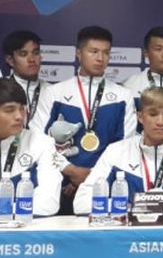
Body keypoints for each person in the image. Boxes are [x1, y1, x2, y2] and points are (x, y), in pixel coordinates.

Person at [30, 26, 136, 214]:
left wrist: (92, 176)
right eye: (93, 51)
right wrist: (71, 170)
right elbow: (38, 140)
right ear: (79, 53)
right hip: (61, 183)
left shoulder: (123, 96)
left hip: (106, 184)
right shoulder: (55, 93)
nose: (100, 58)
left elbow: (124, 145)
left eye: (106, 53)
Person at [74, 87, 163, 216]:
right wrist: (127, 207)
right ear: (140, 117)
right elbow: (81, 202)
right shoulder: (116, 151)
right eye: (152, 114)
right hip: (128, 236)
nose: (160, 122)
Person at [0, 78, 63, 221]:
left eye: (22, 108)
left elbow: (49, 201)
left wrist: (2, 210)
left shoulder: (42, 143)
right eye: (9, 110)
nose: (19, 116)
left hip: (27, 238)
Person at [2, 30, 51, 128]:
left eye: (36, 53)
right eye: (23, 54)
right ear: (10, 60)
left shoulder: (52, 92)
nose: (32, 59)